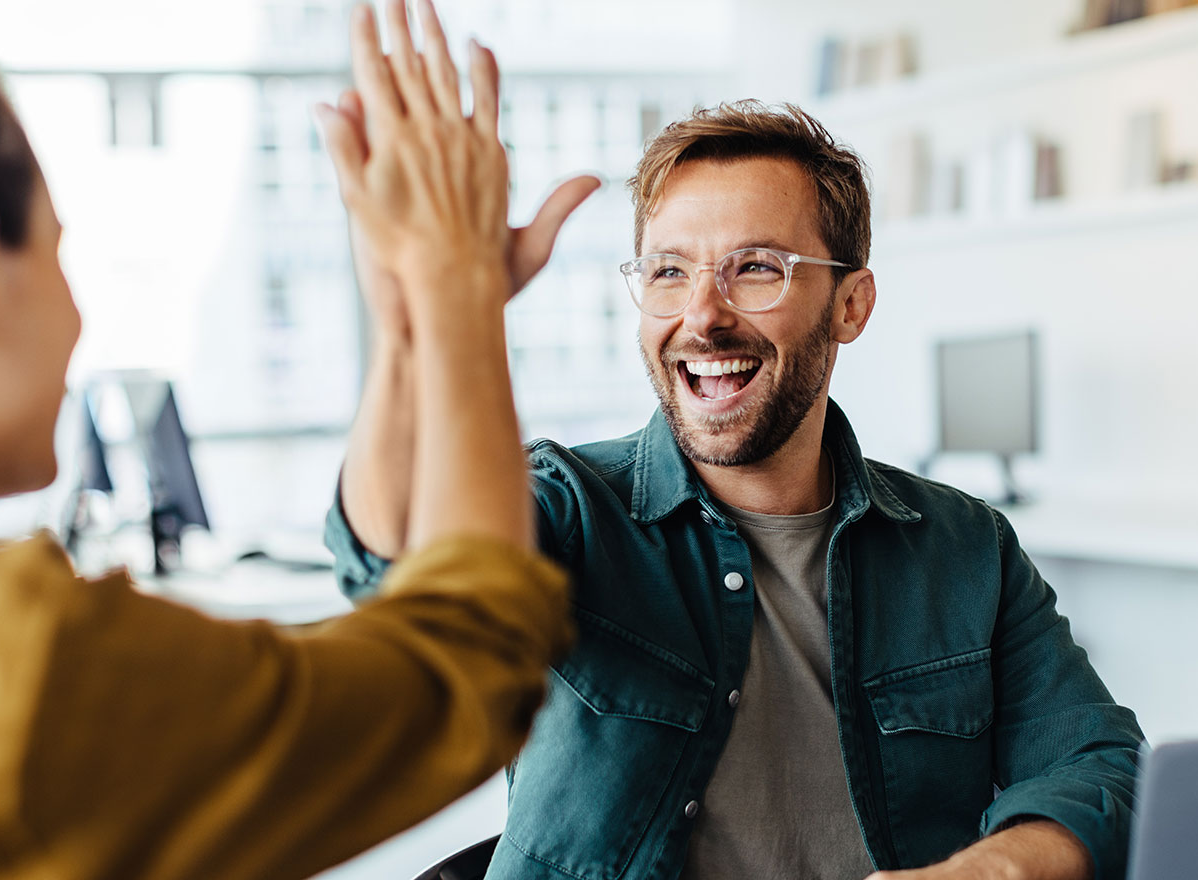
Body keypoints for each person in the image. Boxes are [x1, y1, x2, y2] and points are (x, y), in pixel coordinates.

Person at [0, 0, 575, 879]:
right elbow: (463, 666)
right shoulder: (11, 669)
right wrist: (457, 284)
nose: (79, 316)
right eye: (55, 249)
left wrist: (409, 327)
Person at [331, 99, 1144, 880]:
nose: (703, 315)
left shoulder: (966, 548)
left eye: (756, 268)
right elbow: (397, 563)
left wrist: (993, 869)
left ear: (851, 304)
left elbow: (1100, 764)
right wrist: (416, 326)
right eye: (669, 271)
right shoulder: (571, 509)